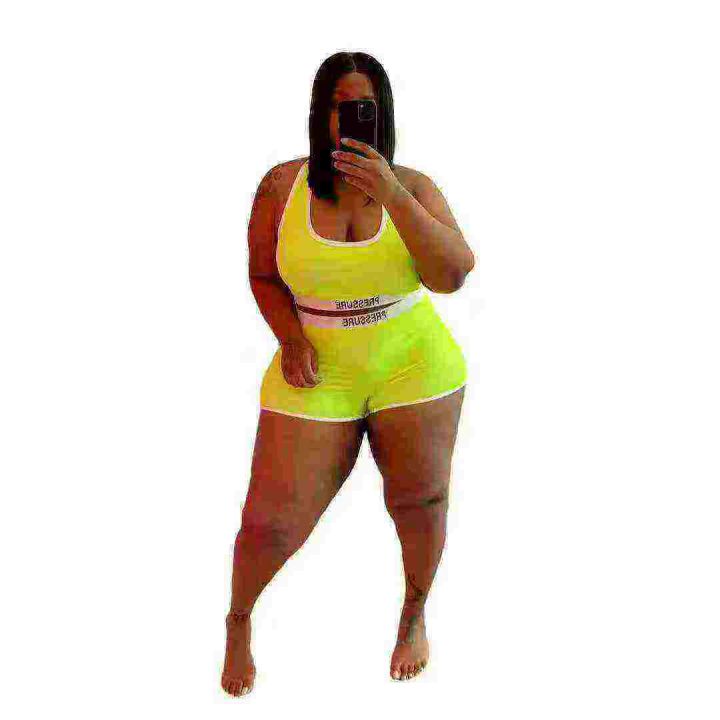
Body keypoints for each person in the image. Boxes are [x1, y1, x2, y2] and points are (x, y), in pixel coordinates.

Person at [222, 51, 475, 696]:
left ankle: (414, 613)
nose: (352, 118)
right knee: (270, 524)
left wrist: (392, 195)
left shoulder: (414, 187)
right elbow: (262, 275)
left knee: (421, 502)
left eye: (365, 107)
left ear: (383, 114)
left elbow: (453, 275)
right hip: (319, 364)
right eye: (340, 107)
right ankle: (238, 619)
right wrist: (290, 337)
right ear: (320, 114)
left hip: (412, 361)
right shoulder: (282, 186)